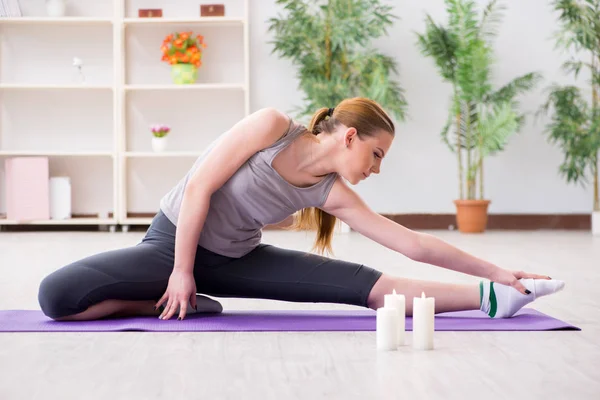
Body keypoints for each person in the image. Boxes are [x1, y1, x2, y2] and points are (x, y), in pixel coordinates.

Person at [37, 97, 565, 322]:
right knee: (56, 296)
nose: (377, 168)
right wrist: (179, 272)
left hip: (237, 260)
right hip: (173, 243)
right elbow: (198, 187)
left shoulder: (330, 191)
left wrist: (498, 271)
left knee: (368, 287)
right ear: (351, 136)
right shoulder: (271, 127)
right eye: (376, 155)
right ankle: (181, 300)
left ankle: (491, 299)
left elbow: (412, 242)